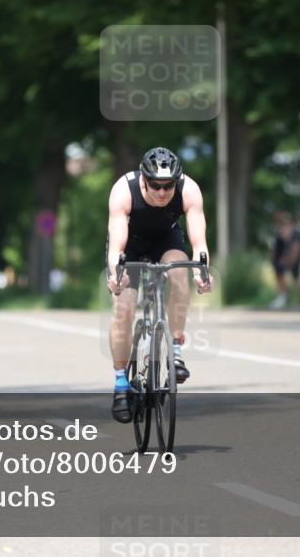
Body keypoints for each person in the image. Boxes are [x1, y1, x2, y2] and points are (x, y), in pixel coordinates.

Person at [106, 147, 213, 423]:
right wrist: (116, 271)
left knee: (179, 275)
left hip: (166, 239)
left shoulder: (189, 190)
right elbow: (117, 239)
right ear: (143, 179)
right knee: (124, 309)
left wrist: (202, 271)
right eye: (156, 185)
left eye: (169, 186)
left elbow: (198, 241)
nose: (163, 192)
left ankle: (174, 352)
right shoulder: (123, 189)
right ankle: (120, 384)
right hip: (130, 243)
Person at [269, 211, 300, 308]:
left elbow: (295, 247)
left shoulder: (294, 232)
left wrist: (291, 258)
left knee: (295, 278)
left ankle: (297, 299)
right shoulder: (278, 230)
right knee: (281, 275)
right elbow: (276, 247)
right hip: (281, 259)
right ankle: (283, 296)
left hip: (290, 258)